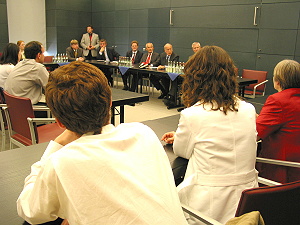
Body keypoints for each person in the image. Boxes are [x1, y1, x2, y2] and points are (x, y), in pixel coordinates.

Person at [17, 61, 188, 225]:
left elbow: (29, 210)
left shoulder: (62, 162)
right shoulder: (143, 132)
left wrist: (58, 143)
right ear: (110, 104)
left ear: (60, 123)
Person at [162, 46, 258, 224]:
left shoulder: (192, 115)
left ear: (194, 79)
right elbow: (229, 138)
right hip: (248, 205)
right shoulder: (249, 109)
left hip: (207, 209)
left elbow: (181, 151)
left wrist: (182, 138)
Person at [256, 59, 300, 183]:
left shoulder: (278, 101)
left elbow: (256, 133)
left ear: (278, 81)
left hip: (282, 171)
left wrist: (256, 119)